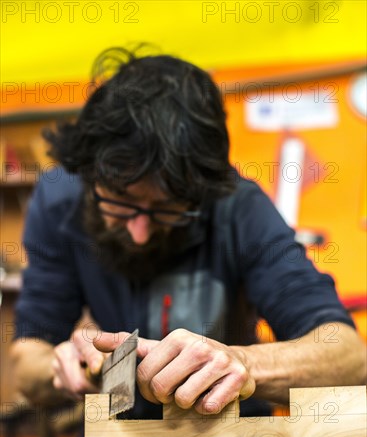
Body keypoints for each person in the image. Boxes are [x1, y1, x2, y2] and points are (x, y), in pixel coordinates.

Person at [10, 46, 366, 418]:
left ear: (203, 193)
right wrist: (61, 366)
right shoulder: (61, 200)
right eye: (120, 202)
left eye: (166, 209)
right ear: (89, 175)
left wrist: (240, 363)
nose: (141, 232)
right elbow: (27, 358)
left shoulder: (237, 206)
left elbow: (348, 355)